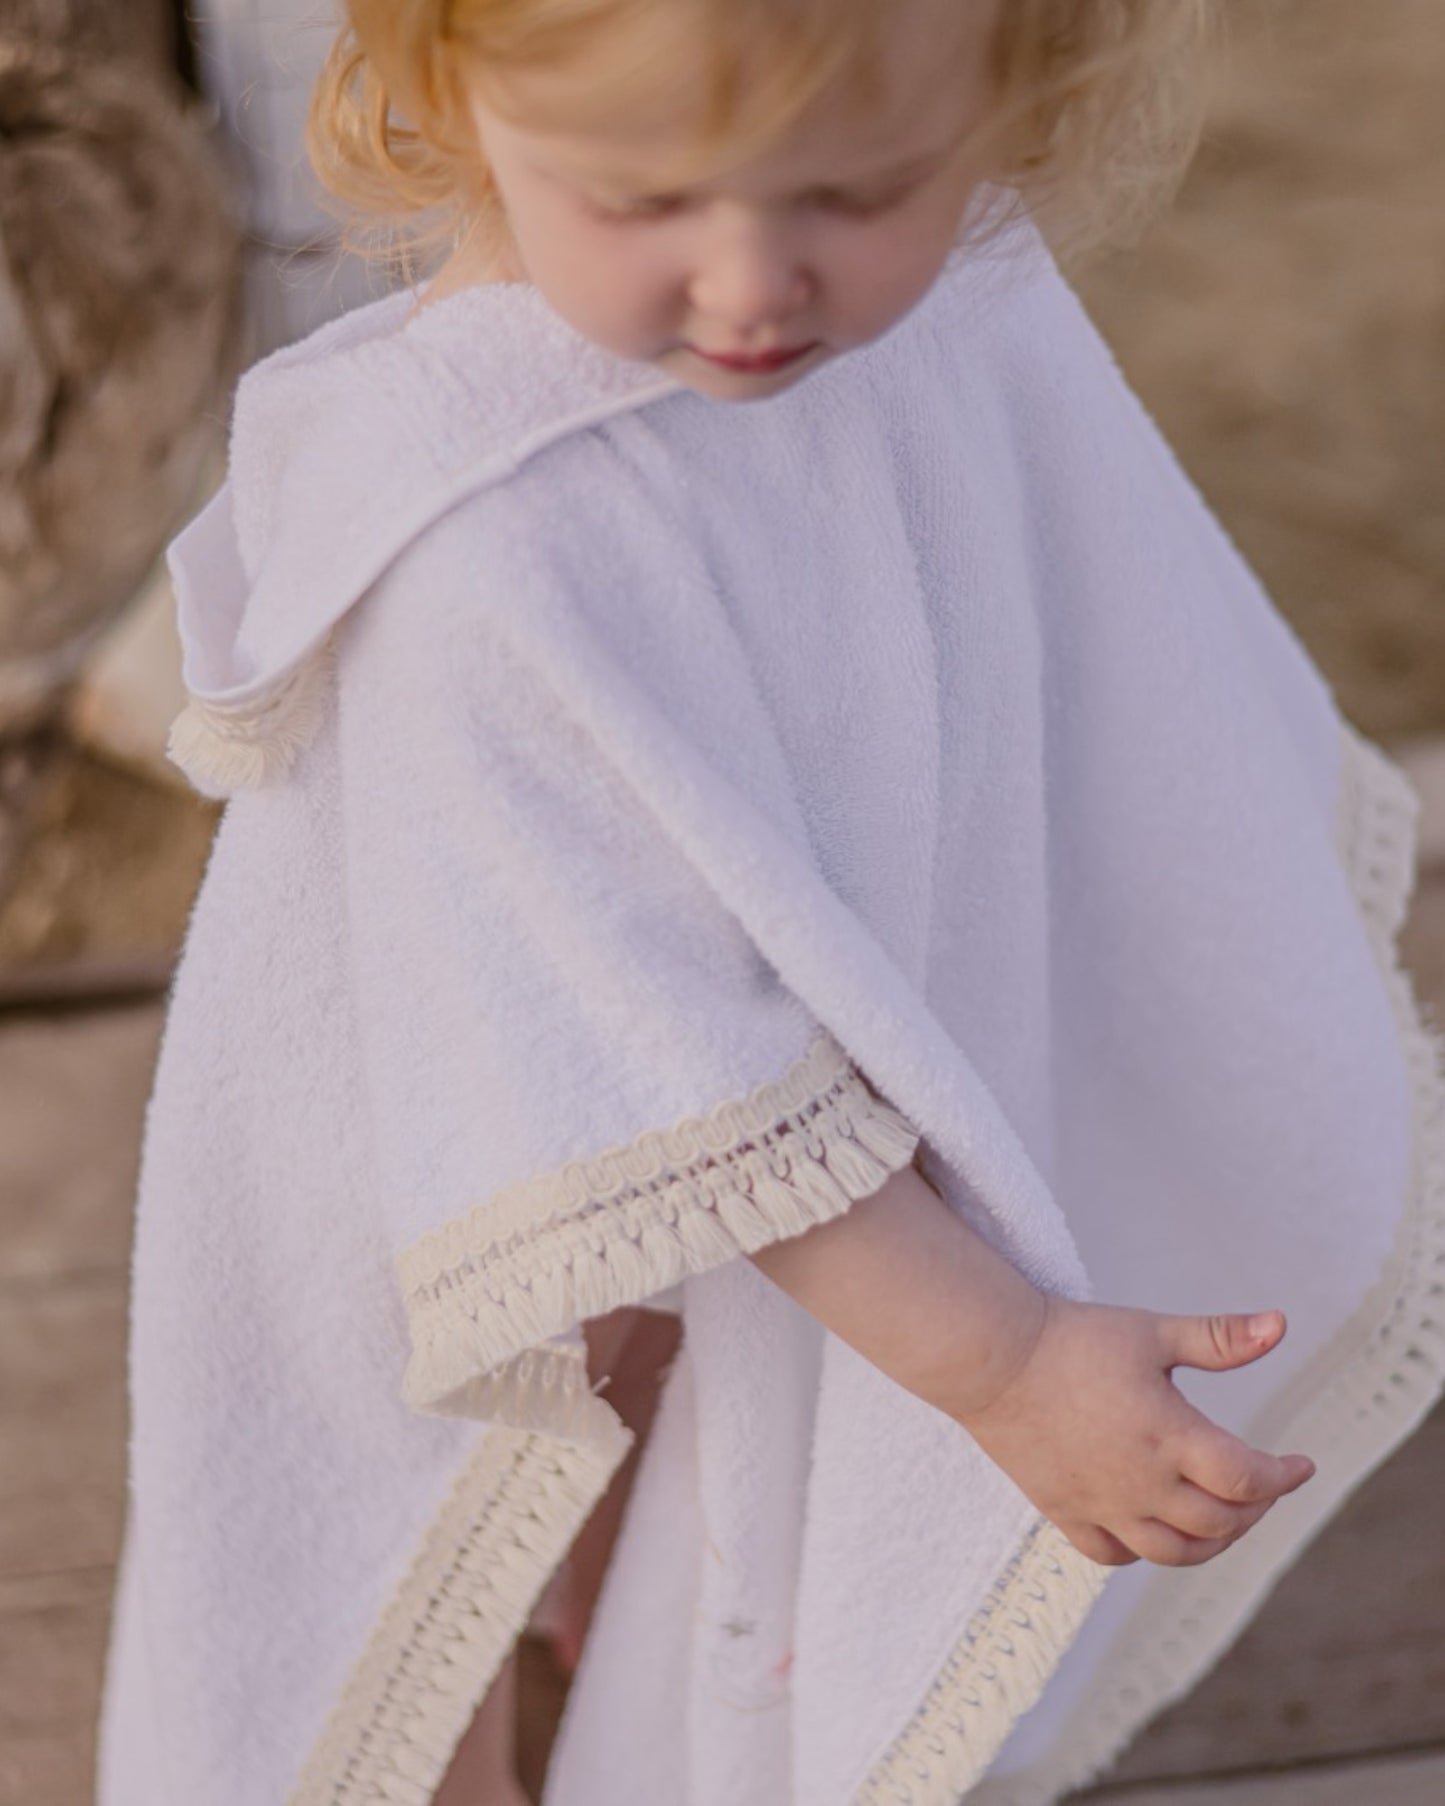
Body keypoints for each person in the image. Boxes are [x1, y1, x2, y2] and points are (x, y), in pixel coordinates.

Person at [97, 3, 1444, 1804]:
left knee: (683, 1511)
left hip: (721, 1153)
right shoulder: (490, 552)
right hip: (475, 1162)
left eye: (856, 188)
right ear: (446, 88)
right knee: (417, 1622)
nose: (750, 285)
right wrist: (1009, 1359)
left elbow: (1089, 662)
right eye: (637, 196)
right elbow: (662, 1087)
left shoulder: (953, 294)